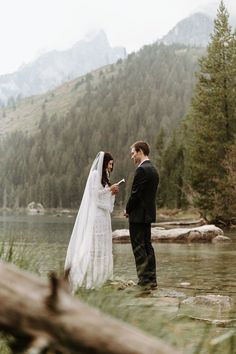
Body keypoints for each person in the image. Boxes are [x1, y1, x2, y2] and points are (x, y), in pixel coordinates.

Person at [65, 151, 119, 292]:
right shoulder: (95, 175)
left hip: (104, 216)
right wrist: (109, 191)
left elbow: (105, 198)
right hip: (96, 216)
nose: (111, 167)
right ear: (104, 162)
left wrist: (112, 193)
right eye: (110, 163)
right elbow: (94, 196)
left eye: (112, 164)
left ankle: (103, 277)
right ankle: (91, 279)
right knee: (94, 246)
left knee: (104, 245)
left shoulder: (105, 177)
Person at [125, 141, 159, 289]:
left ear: (140, 151)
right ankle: (152, 280)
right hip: (148, 215)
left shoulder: (141, 170)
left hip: (138, 215)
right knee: (148, 247)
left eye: (133, 153)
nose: (132, 156)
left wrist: (127, 210)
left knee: (138, 247)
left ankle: (143, 281)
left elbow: (135, 195)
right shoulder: (154, 169)